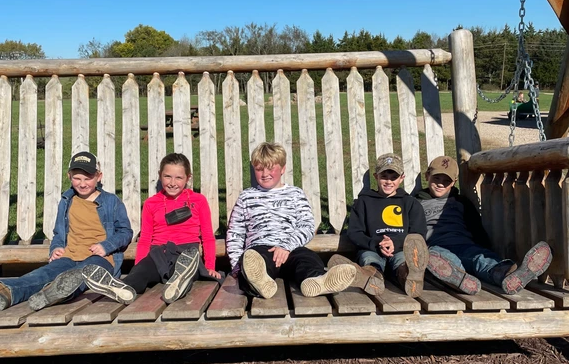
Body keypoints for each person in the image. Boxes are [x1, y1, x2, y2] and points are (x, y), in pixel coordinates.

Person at [0, 152, 133, 313]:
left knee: (81, 276)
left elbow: (125, 231)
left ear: (98, 177)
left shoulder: (110, 201)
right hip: (69, 256)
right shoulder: (67, 201)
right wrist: (56, 248)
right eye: (77, 178)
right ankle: (4, 292)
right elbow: (59, 233)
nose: (82, 183)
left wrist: (106, 246)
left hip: (100, 259)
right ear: (69, 176)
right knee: (41, 275)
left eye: (88, 178)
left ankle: (53, 294)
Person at [82, 153, 220, 304]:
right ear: (160, 176)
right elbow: (146, 238)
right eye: (167, 176)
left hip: (187, 253)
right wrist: (138, 267)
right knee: (140, 275)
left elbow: (207, 236)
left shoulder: (198, 200)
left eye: (179, 178)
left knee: (188, 269)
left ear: (188, 178)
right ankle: (122, 288)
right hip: (159, 252)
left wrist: (210, 266)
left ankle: (179, 281)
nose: (172, 182)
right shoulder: (151, 204)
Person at [226, 142, 356, 298]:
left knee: (308, 259)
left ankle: (316, 281)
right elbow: (235, 232)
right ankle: (260, 283)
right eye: (259, 169)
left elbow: (306, 225)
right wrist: (236, 265)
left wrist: (286, 246)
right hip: (261, 249)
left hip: (291, 248)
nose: (265, 173)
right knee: (253, 263)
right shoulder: (247, 197)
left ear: (282, 169)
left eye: (270, 168)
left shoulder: (295, 194)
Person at [416, 155, 552, 294]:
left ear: (454, 182)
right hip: (437, 247)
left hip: (465, 244)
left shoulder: (461, 202)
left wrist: (485, 248)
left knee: (480, 259)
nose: (440, 184)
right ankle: (458, 277)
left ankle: (507, 274)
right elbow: (412, 229)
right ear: (427, 176)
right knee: (443, 260)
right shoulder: (416, 203)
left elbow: (476, 227)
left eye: (446, 181)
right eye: (436, 178)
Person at [345, 153, 429, 297]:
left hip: (401, 248)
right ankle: (372, 279)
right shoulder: (363, 202)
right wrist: (377, 243)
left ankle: (410, 278)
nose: (388, 181)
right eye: (384, 176)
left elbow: (418, 233)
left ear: (402, 178)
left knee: (404, 261)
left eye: (393, 177)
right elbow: (354, 232)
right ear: (376, 176)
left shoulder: (410, 203)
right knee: (370, 261)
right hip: (372, 248)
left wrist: (395, 243)